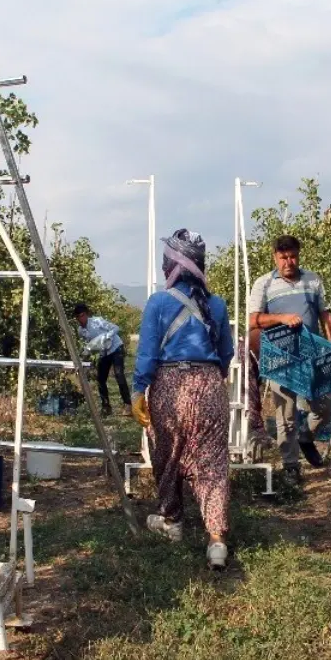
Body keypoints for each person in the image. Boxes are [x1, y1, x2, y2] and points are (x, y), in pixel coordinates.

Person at [131, 229, 234, 569]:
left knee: (168, 453)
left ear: (173, 266)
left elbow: (146, 353)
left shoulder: (159, 303)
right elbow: (226, 353)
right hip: (208, 386)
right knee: (213, 463)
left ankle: (172, 520)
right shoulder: (216, 304)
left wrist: (137, 391)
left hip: (170, 386)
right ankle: (217, 540)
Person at [246, 235, 331, 480]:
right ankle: (290, 466)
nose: (289, 261)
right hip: (280, 357)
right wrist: (282, 318)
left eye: (293, 256)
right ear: (275, 257)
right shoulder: (264, 284)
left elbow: (325, 315)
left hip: (310, 356)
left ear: (298, 255)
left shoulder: (312, 280)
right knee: (285, 415)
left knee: (325, 407)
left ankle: (306, 436)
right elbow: (252, 320)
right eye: (283, 257)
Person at [74, 303, 132, 415]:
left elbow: (116, 328)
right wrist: (86, 353)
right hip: (103, 353)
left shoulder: (97, 322)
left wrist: (106, 336)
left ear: (86, 314)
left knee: (119, 374)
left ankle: (128, 405)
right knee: (101, 379)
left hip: (115, 348)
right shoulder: (81, 331)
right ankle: (106, 407)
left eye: (82, 315)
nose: (80, 319)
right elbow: (90, 345)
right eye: (78, 317)